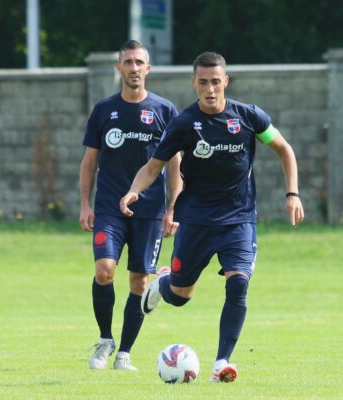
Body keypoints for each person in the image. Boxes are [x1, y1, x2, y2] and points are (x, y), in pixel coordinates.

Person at [120, 51, 304, 382]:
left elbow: (284, 149)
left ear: (225, 82)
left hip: (239, 219)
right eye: (203, 82)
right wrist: (135, 190)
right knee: (180, 297)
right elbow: (153, 166)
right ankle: (164, 283)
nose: (210, 89)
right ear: (194, 83)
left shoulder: (249, 117)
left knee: (239, 284)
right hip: (196, 220)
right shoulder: (183, 124)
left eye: (215, 82)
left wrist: (292, 193)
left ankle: (222, 363)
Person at [79, 40, 182, 371]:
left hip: (150, 212)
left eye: (139, 62)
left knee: (139, 284)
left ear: (148, 69)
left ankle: (124, 352)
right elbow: (89, 161)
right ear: (119, 68)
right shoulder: (103, 110)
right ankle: (105, 339)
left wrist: (173, 209)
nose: (134, 68)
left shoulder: (165, 111)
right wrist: (84, 203)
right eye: (128, 62)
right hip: (109, 207)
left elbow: (176, 164)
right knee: (104, 270)